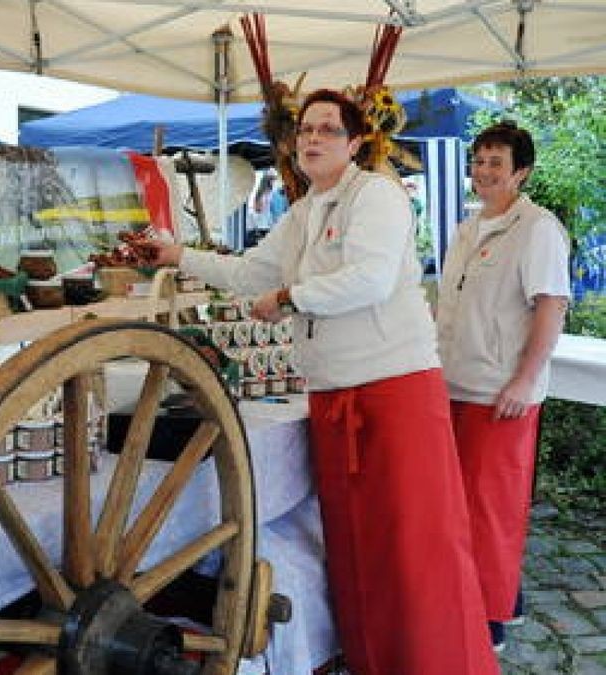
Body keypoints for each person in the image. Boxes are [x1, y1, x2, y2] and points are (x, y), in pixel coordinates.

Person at [141, 89, 499, 675]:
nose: (312, 138)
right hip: (333, 395)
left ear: (356, 142)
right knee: (356, 551)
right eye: (305, 129)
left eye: (328, 129)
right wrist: (178, 254)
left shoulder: (376, 195)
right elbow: (252, 268)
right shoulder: (306, 209)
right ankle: (371, 660)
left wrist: (290, 297)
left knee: (415, 550)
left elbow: (372, 279)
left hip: (394, 392)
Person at [436, 121, 570, 652]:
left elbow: (551, 306)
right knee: (461, 503)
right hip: (456, 383)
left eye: (497, 162)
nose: (485, 171)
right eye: (480, 160)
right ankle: (500, 595)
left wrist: (524, 378)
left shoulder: (537, 228)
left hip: (501, 392)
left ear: (522, 172)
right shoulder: (467, 227)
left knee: (493, 506)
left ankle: (490, 615)